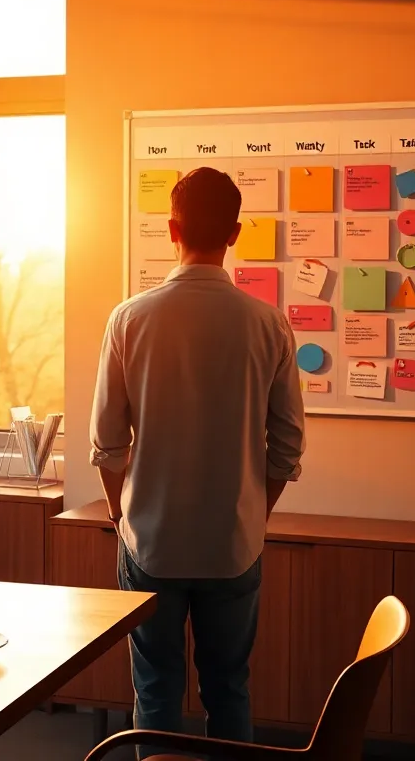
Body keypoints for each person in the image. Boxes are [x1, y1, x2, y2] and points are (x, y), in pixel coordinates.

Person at [90, 166, 306, 751]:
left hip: (150, 543)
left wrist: (119, 515)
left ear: (171, 229)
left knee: (156, 691)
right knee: (229, 690)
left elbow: (108, 444)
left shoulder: (130, 319)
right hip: (233, 544)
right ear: (235, 233)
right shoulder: (268, 324)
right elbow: (286, 447)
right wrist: (255, 514)